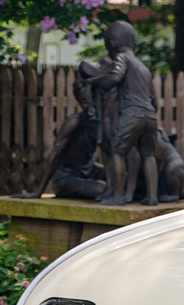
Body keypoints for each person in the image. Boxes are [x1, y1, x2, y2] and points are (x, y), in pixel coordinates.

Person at [12, 62, 108, 200]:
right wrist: (39, 192)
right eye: (84, 101)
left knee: (129, 183)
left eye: (92, 99)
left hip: (90, 170)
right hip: (66, 179)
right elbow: (54, 155)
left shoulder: (100, 121)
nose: (90, 105)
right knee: (104, 189)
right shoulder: (75, 122)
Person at [92, 20, 160, 206]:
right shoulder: (143, 67)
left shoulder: (122, 58)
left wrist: (97, 81)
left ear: (112, 43)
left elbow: (115, 77)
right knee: (148, 154)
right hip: (150, 116)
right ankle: (152, 197)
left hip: (132, 113)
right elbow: (155, 100)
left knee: (117, 151)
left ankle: (118, 197)